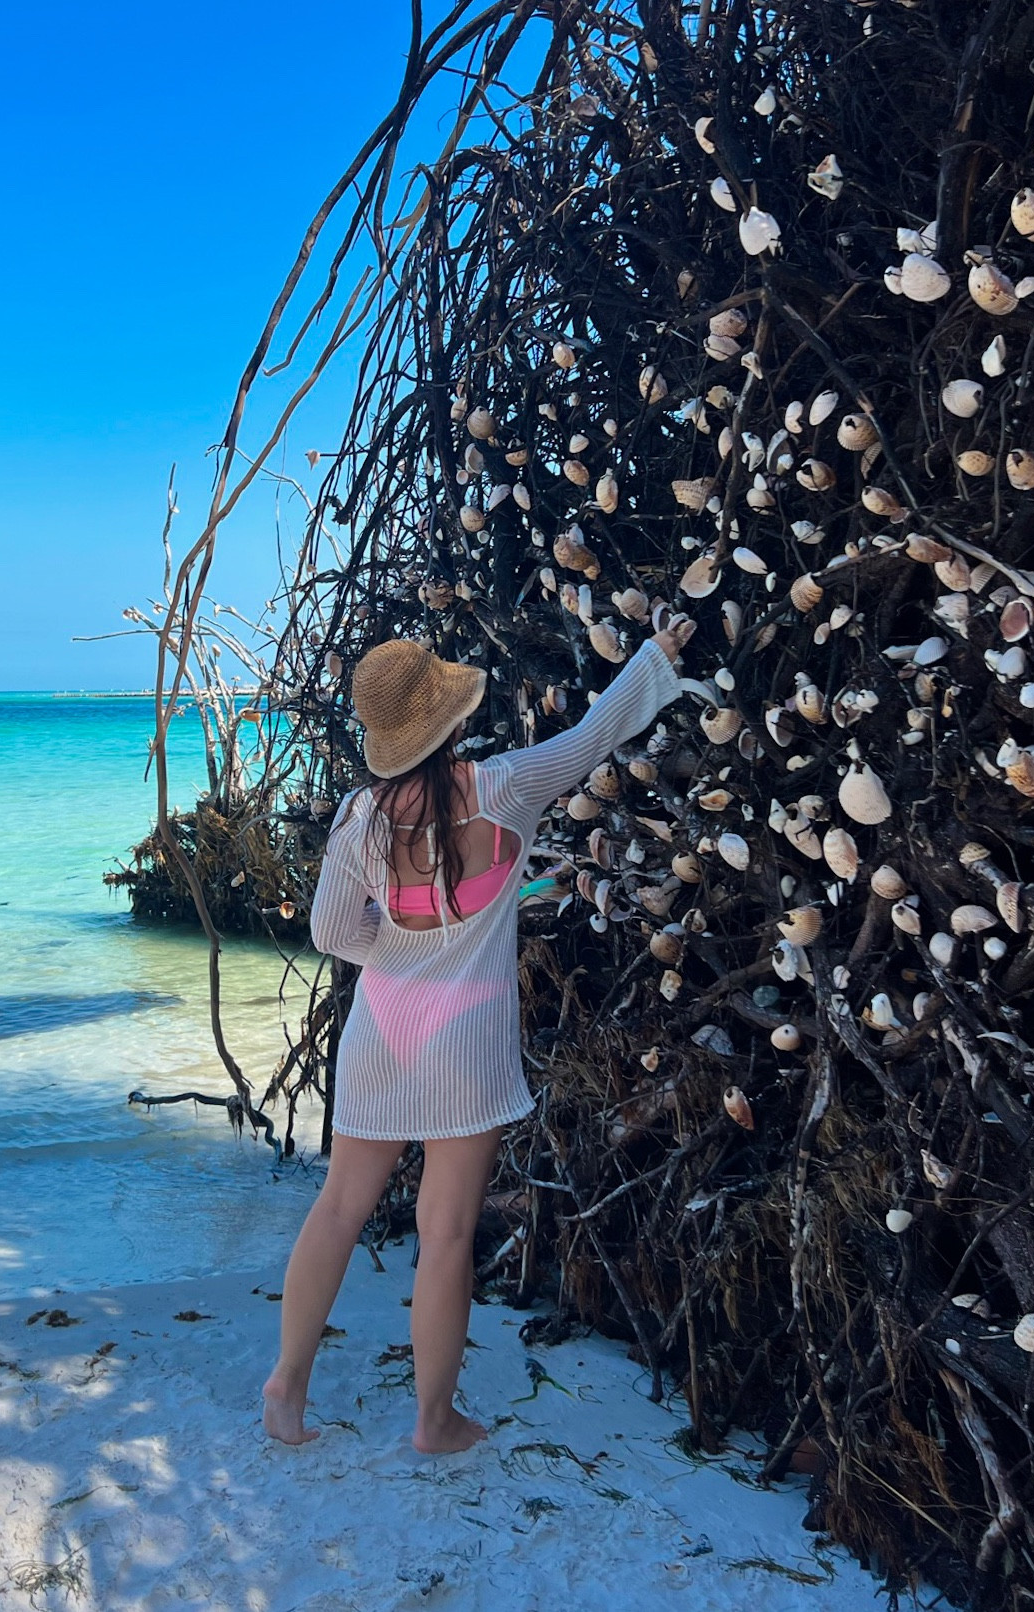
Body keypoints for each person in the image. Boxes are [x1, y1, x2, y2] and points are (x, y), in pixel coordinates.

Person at [262, 608, 693, 1453]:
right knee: (447, 1229)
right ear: (451, 718)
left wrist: (390, 944)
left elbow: (327, 933)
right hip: (467, 1032)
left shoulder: (360, 819)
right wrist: (654, 656)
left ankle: (286, 1389)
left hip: (383, 1024)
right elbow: (596, 733)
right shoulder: (506, 788)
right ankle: (433, 1421)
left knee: (340, 1206)